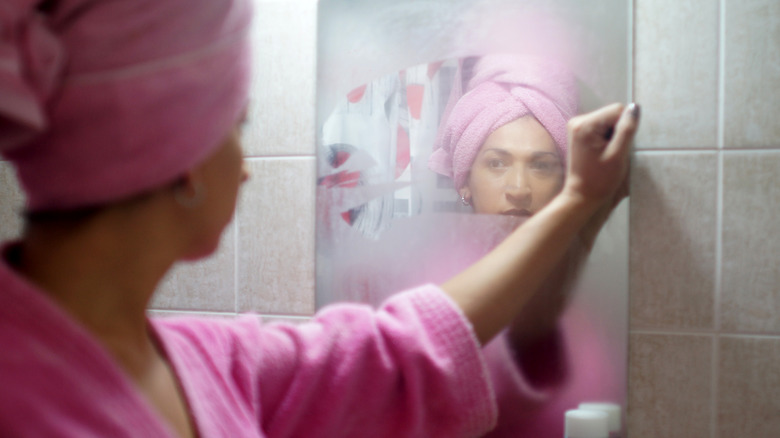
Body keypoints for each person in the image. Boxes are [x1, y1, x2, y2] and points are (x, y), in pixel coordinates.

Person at [0, 2, 639, 437]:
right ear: (184, 157)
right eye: (238, 128)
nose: (245, 169)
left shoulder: (205, 363)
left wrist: (578, 199)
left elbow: (402, 352)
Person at [428, 54, 630, 437]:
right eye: (497, 163)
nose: (519, 189)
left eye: (541, 165)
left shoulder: (589, 296)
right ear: (464, 181)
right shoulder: (436, 285)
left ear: (563, 181)